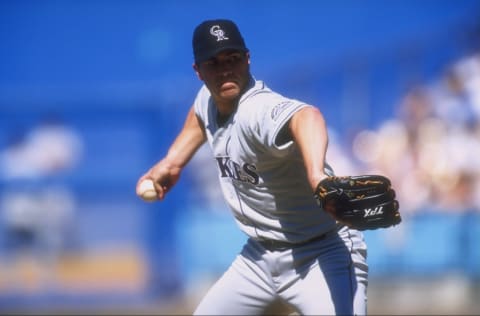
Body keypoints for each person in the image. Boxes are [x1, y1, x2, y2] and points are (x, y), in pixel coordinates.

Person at [137, 19, 368, 315]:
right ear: (198, 71)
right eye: (214, 63)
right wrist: (172, 162)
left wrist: (316, 175)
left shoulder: (257, 110)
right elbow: (199, 116)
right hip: (258, 258)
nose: (225, 70)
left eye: (233, 59)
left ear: (247, 58)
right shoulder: (209, 97)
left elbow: (307, 117)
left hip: (321, 252)